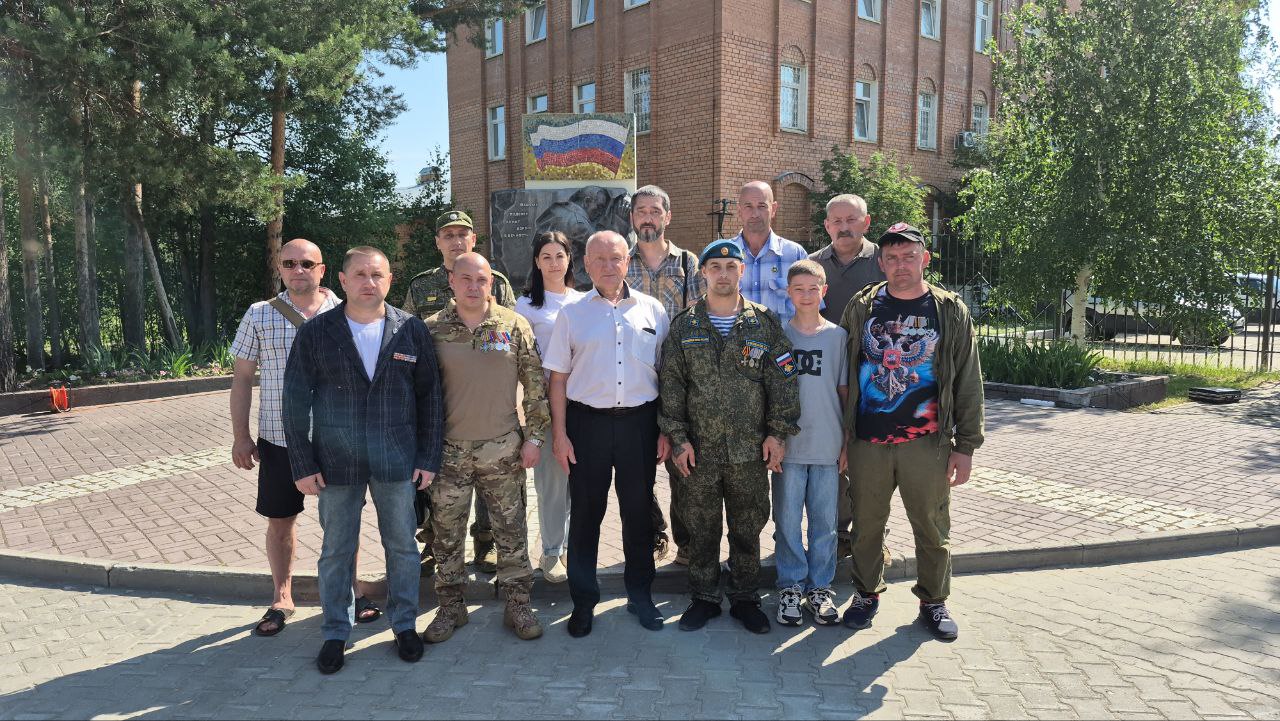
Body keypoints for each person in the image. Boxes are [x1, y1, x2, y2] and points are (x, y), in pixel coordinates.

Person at [283, 246, 442, 674]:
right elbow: (294, 402)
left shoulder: (410, 329)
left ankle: (404, 625)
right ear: (342, 279)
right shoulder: (317, 332)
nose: (369, 282)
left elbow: (430, 398)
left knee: (402, 547)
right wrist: (302, 463)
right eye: (360, 275)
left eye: (377, 275)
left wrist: (428, 456)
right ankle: (336, 631)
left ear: (390, 280)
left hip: (396, 459)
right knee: (336, 550)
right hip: (337, 460)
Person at [838, 223, 984, 641]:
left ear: (925, 259)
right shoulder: (862, 306)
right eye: (892, 258)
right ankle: (866, 593)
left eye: (909, 256)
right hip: (868, 440)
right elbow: (842, 371)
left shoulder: (948, 309)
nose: (900, 265)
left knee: (932, 525)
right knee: (867, 525)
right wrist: (842, 438)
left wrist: (966, 445)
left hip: (926, 442)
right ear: (881, 262)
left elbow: (968, 379)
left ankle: (933, 601)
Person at [229, 238, 380, 637]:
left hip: (337, 440)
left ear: (323, 270)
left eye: (307, 263)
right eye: (289, 263)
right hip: (279, 439)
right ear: (279, 268)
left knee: (343, 522)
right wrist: (241, 436)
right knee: (281, 521)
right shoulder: (259, 314)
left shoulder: (347, 310)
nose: (298, 270)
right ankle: (282, 596)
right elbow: (242, 378)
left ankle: (353, 590)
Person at [659, 239, 800, 635]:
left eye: (730, 267)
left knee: (747, 528)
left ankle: (745, 598)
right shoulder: (685, 325)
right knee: (701, 529)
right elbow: (671, 385)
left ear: (741, 271)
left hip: (749, 451)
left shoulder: (764, 323)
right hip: (699, 453)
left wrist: (777, 434)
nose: (723, 274)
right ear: (704, 273)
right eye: (715, 267)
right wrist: (678, 439)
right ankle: (704, 597)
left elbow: (783, 382)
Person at [543, 230, 670, 637]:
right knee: (586, 515)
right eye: (598, 259)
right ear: (586, 264)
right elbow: (558, 379)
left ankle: (640, 596)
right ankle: (584, 602)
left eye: (615, 258)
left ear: (627, 260)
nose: (608, 266)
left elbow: (667, 375)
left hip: (640, 424)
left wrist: (665, 429)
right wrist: (560, 435)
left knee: (638, 512)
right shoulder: (572, 314)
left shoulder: (652, 310)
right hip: (587, 425)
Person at [425, 253, 548, 642]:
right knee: (446, 535)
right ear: (452, 281)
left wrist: (535, 438)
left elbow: (535, 385)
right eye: (465, 279)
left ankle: (517, 604)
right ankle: (451, 607)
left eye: (481, 279)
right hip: (448, 453)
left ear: (491, 283)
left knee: (511, 531)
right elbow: (418, 393)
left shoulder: (512, 324)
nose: (474, 286)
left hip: (503, 450)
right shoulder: (431, 329)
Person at [403, 210, 513, 575]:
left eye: (462, 234)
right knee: (437, 477)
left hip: (484, 396)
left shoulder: (496, 281)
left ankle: (486, 542)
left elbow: (508, 332)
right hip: (437, 398)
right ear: (438, 242)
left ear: (473, 239)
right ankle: (435, 542)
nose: (456, 241)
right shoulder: (421, 286)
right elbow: (408, 338)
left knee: (488, 476)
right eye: (448, 235)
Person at [623, 184, 705, 565]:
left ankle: (686, 542)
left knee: (682, 465)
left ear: (667, 217)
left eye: (655, 211)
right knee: (638, 466)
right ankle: (655, 533)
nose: (648, 218)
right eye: (641, 211)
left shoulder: (688, 263)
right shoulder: (621, 262)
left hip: (679, 379)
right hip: (634, 379)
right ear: (632, 217)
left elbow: (700, 318)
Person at [809, 194, 886, 560]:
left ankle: (873, 534)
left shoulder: (884, 262)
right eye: (836, 221)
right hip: (828, 379)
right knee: (834, 457)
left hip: (875, 378)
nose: (843, 227)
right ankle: (839, 534)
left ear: (866, 222)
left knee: (872, 461)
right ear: (827, 226)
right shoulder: (813, 265)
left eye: (851, 220)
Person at [772, 260, 848, 628]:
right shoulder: (778, 336)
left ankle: (819, 589)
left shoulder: (838, 337)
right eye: (798, 289)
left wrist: (846, 442)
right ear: (788, 292)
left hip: (827, 445)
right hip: (788, 448)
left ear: (824, 292)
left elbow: (844, 392)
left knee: (825, 524)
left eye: (812, 289)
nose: (806, 295)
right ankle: (790, 586)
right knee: (787, 522)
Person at [515, 232, 584, 584]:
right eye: (546, 256)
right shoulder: (526, 306)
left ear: (569, 259)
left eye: (560, 255)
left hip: (582, 402)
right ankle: (551, 550)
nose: (554, 263)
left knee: (578, 479)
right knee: (552, 482)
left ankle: (571, 546)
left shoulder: (584, 301)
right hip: (544, 404)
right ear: (537, 262)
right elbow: (520, 359)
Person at [731, 181, 809, 324]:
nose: (755, 214)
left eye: (762, 206)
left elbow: (811, 310)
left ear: (773, 209)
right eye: (748, 206)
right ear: (739, 210)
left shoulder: (795, 255)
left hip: (784, 338)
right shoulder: (723, 257)